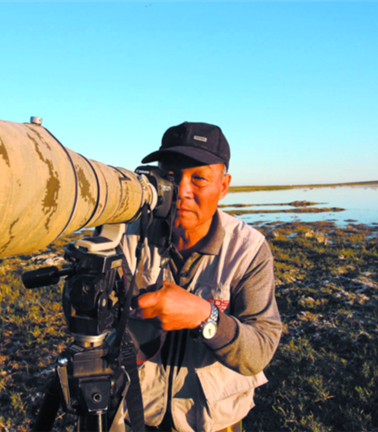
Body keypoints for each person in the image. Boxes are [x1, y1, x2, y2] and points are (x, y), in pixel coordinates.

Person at [114, 122, 282, 432]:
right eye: (170, 177)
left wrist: (205, 317)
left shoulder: (248, 249)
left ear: (224, 186)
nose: (182, 192)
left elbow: (258, 351)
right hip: (135, 411)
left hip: (213, 420)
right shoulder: (126, 236)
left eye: (199, 178)